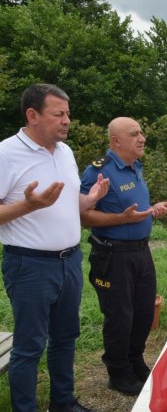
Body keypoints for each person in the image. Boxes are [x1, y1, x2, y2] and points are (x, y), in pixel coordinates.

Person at [0, 83, 109, 412]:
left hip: (70, 262)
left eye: (68, 114)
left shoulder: (64, 152)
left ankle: (63, 403)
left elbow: (65, 198)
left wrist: (88, 200)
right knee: (29, 345)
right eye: (58, 114)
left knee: (65, 337)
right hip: (29, 266)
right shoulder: (6, 154)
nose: (67, 121)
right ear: (32, 115)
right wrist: (27, 207)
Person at [79, 117, 167, 396]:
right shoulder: (99, 171)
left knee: (144, 312)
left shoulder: (136, 167)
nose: (142, 137)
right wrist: (122, 218)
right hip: (113, 255)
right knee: (120, 316)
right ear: (116, 141)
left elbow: (136, 210)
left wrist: (152, 209)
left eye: (142, 132)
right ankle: (118, 372)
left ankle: (135, 361)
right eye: (134, 134)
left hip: (141, 253)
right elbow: (83, 216)